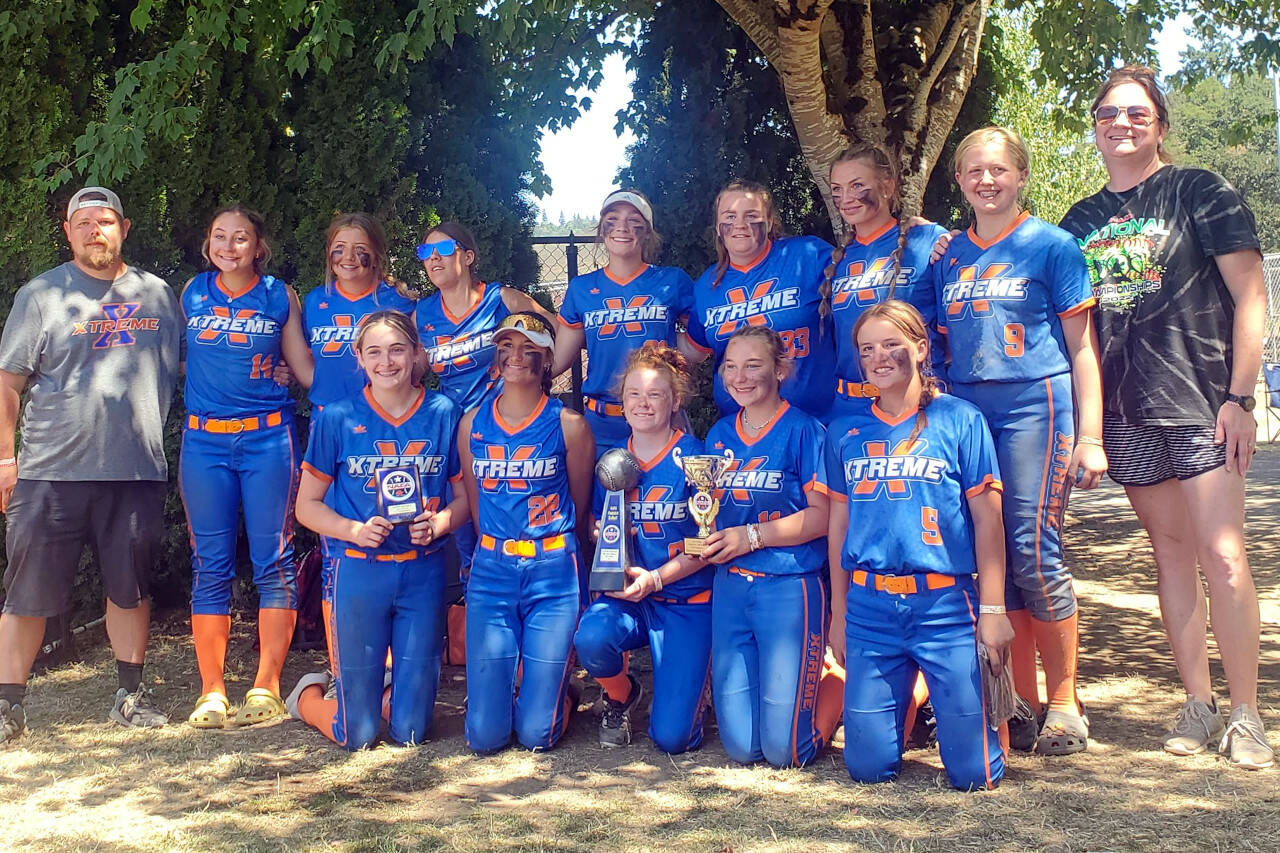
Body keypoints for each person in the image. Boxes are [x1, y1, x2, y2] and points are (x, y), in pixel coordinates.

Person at [1059, 66, 1272, 770]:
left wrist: (1240, 397)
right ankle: (1198, 705)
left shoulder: (1199, 190)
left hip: (1203, 404)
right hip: (1128, 412)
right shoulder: (1079, 221)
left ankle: (1247, 714)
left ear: (1159, 124)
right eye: (1107, 113)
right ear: (1094, 125)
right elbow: (1076, 331)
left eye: (1135, 113)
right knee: (1171, 555)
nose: (1120, 123)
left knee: (1225, 553)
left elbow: (1250, 294)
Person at [934, 126, 1106, 756]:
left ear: (1021, 175)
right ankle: (1018, 702)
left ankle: (1065, 703)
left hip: (1037, 400)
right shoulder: (948, 255)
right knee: (987, 555)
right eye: (974, 171)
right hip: (968, 404)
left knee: (1033, 548)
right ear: (959, 181)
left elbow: (1083, 348)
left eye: (998, 170)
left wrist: (1091, 435)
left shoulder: (1053, 246)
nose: (986, 180)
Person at [0, 187, 180, 742]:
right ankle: (9, 706)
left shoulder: (156, 294)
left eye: (105, 222)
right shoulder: (41, 295)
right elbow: (8, 382)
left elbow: (187, 367)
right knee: (27, 591)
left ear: (123, 228)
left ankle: (128, 694)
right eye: (83, 223)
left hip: (134, 471)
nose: (94, 231)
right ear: (68, 232)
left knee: (130, 588)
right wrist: (6, 458)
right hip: (50, 472)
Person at [826, 299, 1012, 790]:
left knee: (974, 776)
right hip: (870, 606)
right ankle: (912, 690)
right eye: (868, 349)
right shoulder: (845, 431)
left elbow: (988, 522)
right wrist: (839, 614)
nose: (879, 357)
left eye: (892, 344)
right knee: (866, 768)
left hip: (944, 603)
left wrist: (993, 609)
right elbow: (838, 527)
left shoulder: (960, 420)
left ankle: (953, 696)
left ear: (921, 347)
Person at [288, 310, 466, 750]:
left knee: (411, 734)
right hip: (360, 570)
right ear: (359, 359)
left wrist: (441, 522)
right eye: (375, 352)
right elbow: (305, 507)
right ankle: (308, 698)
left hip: (423, 572)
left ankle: (390, 697)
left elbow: (467, 500)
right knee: (358, 736)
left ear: (416, 354)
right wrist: (352, 530)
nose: (387, 362)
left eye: (397, 350)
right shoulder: (338, 417)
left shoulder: (444, 412)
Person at [180, 205, 314, 728]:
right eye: (220, 236)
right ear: (208, 244)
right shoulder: (191, 291)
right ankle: (211, 689)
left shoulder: (279, 295)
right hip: (204, 442)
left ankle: (267, 685)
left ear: (259, 247)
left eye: (241, 238)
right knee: (209, 564)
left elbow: (303, 366)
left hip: (267, 442)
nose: (230, 246)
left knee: (273, 562)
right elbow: (176, 357)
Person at [457, 312, 595, 752]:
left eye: (529, 347)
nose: (516, 356)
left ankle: (558, 692)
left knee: (537, 734)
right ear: (496, 357)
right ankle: (514, 690)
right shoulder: (471, 425)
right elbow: (478, 505)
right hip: (492, 568)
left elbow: (578, 499)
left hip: (552, 567)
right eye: (507, 346)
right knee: (485, 738)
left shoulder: (568, 424)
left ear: (548, 358)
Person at [700, 325, 837, 767]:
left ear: (780, 370)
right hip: (732, 587)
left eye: (754, 365)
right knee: (742, 748)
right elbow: (708, 511)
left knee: (786, 753)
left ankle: (837, 685)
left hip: (788, 583)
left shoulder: (804, 430)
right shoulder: (719, 435)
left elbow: (823, 516)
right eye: (732, 367)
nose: (741, 377)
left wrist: (751, 536)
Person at [572, 343, 712, 751]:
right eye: (634, 394)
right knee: (592, 637)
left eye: (655, 395)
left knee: (673, 738)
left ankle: (695, 690)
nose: (643, 404)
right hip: (629, 600)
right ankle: (621, 695)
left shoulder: (696, 459)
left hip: (685, 599)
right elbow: (601, 528)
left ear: (675, 401)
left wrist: (656, 578)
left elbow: (707, 540)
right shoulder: (613, 461)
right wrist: (603, 536)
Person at [552, 191, 695, 452]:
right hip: (602, 422)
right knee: (599, 494)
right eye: (613, 218)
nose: (622, 227)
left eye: (634, 220)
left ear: (648, 231)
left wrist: (678, 352)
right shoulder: (582, 288)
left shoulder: (671, 281)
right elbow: (557, 361)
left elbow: (703, 339)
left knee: (667, 493)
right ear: (601, 228)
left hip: (660, 419)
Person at [686, 181, 836, 420]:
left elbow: (860, 289)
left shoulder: (808, 255)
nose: (740, 225)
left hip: (816, 423)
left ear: (769, 221)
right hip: (741, 434)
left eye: (751, 215)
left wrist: (902, 233)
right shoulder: (707, 285)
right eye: (730, 216)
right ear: (717, 226)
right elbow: (692, 350)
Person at [823, 144, 949, 418]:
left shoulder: (927, 240)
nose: (846, 198)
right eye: (837, 189)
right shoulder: (835, 261)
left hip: (918, 403)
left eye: (857, 186)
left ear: (887, 187)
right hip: (850, 408)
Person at [415, 222, 551, 413]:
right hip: (454, 426)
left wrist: (538, 378)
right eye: (425, 251)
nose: (434, 257)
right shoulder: (422, 314)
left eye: (444, 248)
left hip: (506, 423)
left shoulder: (502, 299)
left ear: (468, 257)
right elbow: (408, 374)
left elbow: (562, 333)